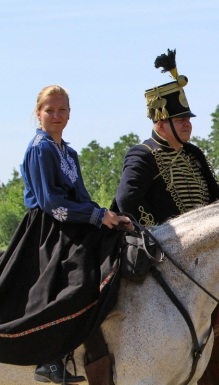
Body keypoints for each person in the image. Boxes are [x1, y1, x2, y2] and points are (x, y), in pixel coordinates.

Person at [0, 85, 133, 383]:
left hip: (72, 221)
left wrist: (109, 217)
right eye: (50, 110)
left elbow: (81, 197)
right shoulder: (39, 148)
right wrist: (96, 217)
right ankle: (47, 359)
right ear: (38, 114)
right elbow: (51, 203)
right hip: (46, 228)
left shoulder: (69, 153)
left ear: (70, 114)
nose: (56, 116)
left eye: (62, 110)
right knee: (76, 280)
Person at [113, 49, 219, 226]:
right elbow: (127, 199)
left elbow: (218, 201)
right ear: (160, 124)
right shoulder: (143, 155)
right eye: (181, 120)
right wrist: (157, 234)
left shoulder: (193, 154)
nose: (187, 124)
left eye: (188, 120)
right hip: (164, 247)